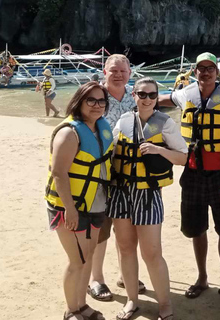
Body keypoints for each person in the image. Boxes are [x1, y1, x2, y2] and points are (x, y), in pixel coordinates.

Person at [157, 52, 220, 305]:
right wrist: (145, 100)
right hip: (193, 173)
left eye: (210, 68)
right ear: (194, 71)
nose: (205, 72)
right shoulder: (185, 93)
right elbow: (166, 100)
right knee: (197, 229)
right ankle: (202, 278)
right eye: (201, 68)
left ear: (217, 71)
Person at [109, 78, 188, 320]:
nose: (146, 99)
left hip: (148, 193)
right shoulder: (123, 121)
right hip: (121, 191)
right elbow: (111, 152)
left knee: (152, 252)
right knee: (125, 248)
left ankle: (165, 304)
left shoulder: (165, 123)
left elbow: (184, 158)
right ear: (133, 95)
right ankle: (132, 300)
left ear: (157, 97)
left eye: (152, 95)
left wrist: (159, 150)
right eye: (141, 94)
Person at [45, 82, 113, 320]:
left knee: (89, 256)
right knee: (77, 260)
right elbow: (59, 173)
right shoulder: (69, 132)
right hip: (69, 206)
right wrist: (69, 210)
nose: (97, 105)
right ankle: (70, 310)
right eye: (91, 100)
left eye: (101, 101)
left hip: (95, 202)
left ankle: (82, 305)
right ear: (79, 102)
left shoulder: (100, 129)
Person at [88, 54, 139, 303]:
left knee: (126, 226)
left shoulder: (136, 96)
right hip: (100, 172)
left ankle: (125, 274)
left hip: (129, 173)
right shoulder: (95, 96)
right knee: (101, 226)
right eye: (113, 70)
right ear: (104, 71)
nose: (118, 75)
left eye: (123, 70)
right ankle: (96, 278)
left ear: (130, 73)